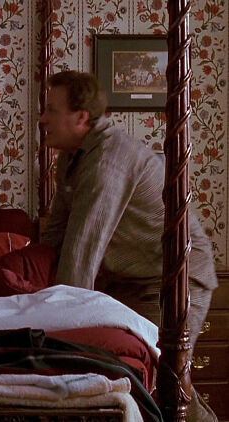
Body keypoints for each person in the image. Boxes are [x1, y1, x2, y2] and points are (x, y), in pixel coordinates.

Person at [39, 70, 218, 422]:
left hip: (172, 279)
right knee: (139, 376)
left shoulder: (107, 160)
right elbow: (56, 235)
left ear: (81, 118)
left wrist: (52, 323)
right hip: (127, 282)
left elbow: (81, 251)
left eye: (51, 110)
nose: (43, 119)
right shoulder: (72, 158)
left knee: (160, 380)